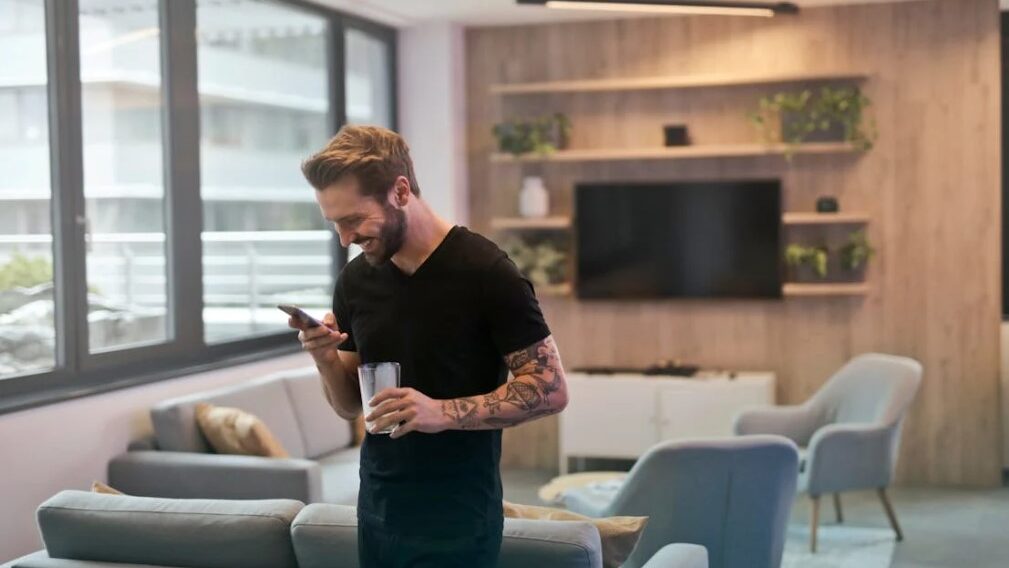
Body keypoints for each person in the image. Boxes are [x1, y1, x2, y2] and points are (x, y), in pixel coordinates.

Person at [289, 125, 569, 568]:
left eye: (353, 220)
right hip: (378, 509)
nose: (345, 238)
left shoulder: (487, 271)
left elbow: (551, 388)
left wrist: (439, 412)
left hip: (459, 516)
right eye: (334, 224)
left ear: (400, 191)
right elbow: (349, 407)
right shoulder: (355, 281)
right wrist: (324, 358)